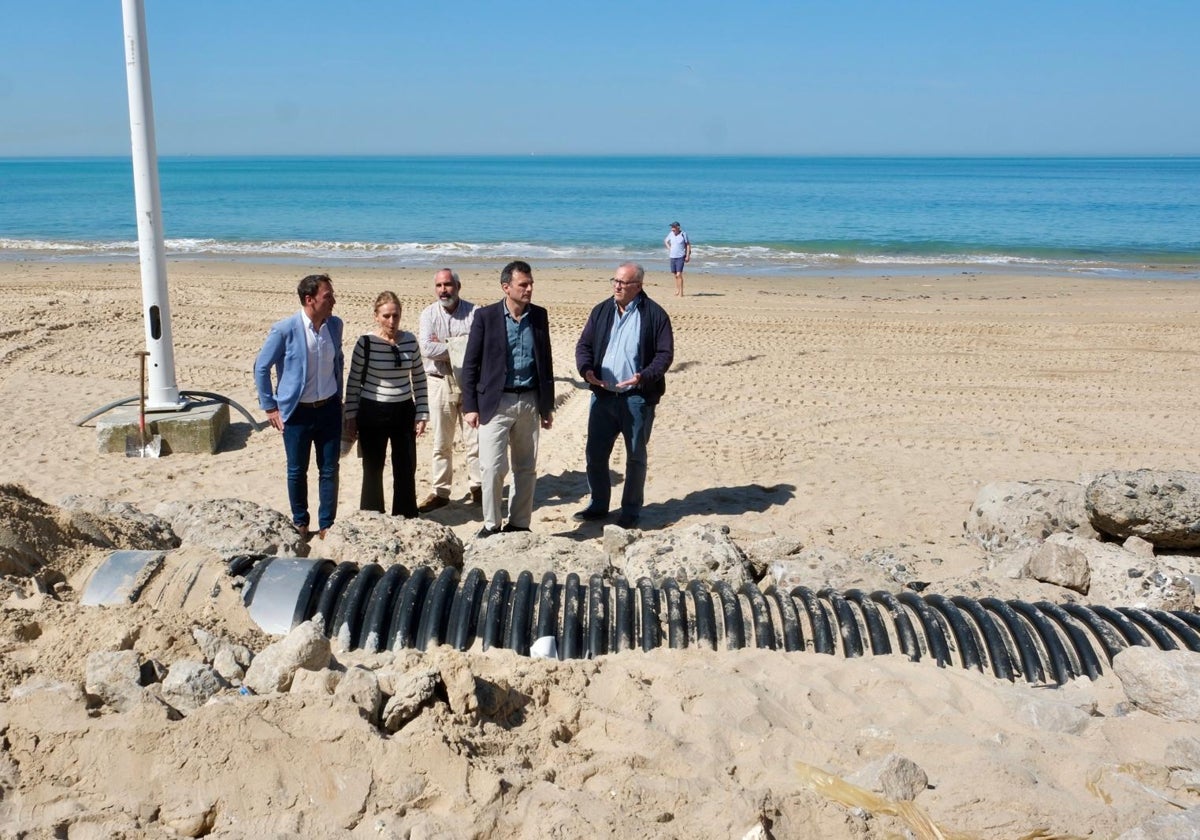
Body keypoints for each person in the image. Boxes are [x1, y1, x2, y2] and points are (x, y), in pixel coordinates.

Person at [574, 261, 674, 530]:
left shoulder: (655, 315)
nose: (617, 286)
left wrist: (643, 377)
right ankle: (598, 504)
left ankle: (630, 511)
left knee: (635, 456)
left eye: (623, 282)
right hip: (603, 396)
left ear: (638, 286)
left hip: (636, 398)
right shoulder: (602, 310)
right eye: (615, 280)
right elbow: (584, 345)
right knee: (595, 454)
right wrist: (586, 371)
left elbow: (665, 355)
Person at [460, 260, 555, 538]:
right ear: (506, 287)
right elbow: (471, 364)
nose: (529, 289)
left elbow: (545, 361)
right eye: (523, 284)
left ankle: (520, 523)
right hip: (495, 402)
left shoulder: (539, 315)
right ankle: (492, 524)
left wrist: (546, 405)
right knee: (491, 467)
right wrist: (470, 406)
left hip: (529, 401)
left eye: (530, 284)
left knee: (526, 468)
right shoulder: (486, 316)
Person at [254, 273, 345, 540]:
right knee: (297, 470)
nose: (333, 301)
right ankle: (301, 522)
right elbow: (261, 367)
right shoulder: (285, 329)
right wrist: (270, 407)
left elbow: (338, 361)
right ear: (309, 299)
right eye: (327, 296)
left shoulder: (335, 325)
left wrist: (339, 396)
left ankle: (327, 525)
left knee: (329, 469)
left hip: (329, 408)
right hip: (297, 412)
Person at [344, 291, 429, 518]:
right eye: (386, 316)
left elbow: (419, 378)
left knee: (406, 467)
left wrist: (422, 413)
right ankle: (373, 516)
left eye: (396, 316)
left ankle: (406, 515)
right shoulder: (366, 343)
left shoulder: (410, 341)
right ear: (376, 316)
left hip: (404, 411)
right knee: (372, 468)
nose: (392, 321)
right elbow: (353, 383)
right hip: (372, 411)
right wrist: (350, 416)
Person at [416, 268, 481, 512]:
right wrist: (460, 348)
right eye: (439, 286)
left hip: (469, 381)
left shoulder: (475, 312)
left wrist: (449, 348)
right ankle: (440, 491)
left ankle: (478, 487)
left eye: (448, 285)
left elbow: (479, 347)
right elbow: (426, 349)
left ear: (458, 286)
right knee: (441, 441)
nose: (444, 290)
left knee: (474, 439)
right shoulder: (428, 315)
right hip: (438, 380)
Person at [664, 221, 691, 297]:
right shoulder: (671, 234)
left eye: (673, 227)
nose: (672, 229)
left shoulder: (683, 234)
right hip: (672, 256)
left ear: (678, 227)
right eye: (672, 227)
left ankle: (681, 292)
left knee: (679, 274)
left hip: (680, 256)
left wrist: (688, 255)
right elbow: (665, 241)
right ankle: (677, 289)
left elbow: (688, 245)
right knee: (675, 275)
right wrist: (670, 248)